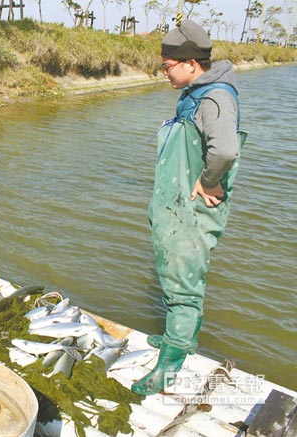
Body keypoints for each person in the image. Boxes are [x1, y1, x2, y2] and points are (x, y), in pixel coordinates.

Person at [131, 20, 247, 396]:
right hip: (177, 205)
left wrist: (211, 180)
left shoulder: (215, 99)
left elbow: (226, 149)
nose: (164, 73)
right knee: (176, 276)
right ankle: (177, 339)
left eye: (168, 67)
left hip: (192, 210)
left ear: (191, 64)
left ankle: (168, 369)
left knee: (183, 285)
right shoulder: (197, 91)